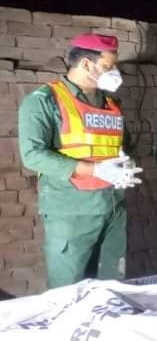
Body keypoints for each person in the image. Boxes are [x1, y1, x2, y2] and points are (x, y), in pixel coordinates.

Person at [18, 33, 142, 288]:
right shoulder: (44, 101)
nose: (115, 72)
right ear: (86, 64)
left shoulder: (111, 103)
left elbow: (123, 145)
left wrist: (125, 164)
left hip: (113, 208)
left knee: (111, 285)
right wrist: (95, 169)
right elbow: (32, 155)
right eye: (108, 66)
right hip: (71, 212)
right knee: (68, 290)